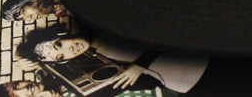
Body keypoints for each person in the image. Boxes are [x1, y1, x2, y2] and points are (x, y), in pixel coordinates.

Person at [15, 25, 206, 95]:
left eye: (59, 45)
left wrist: (141, 64)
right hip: (190, 86)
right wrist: (21, 58)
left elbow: (164, 32)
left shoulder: (100, 25)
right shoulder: (98, 61)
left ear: (61, 35)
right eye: (62, 56)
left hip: (200, 56)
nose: (70, 50)